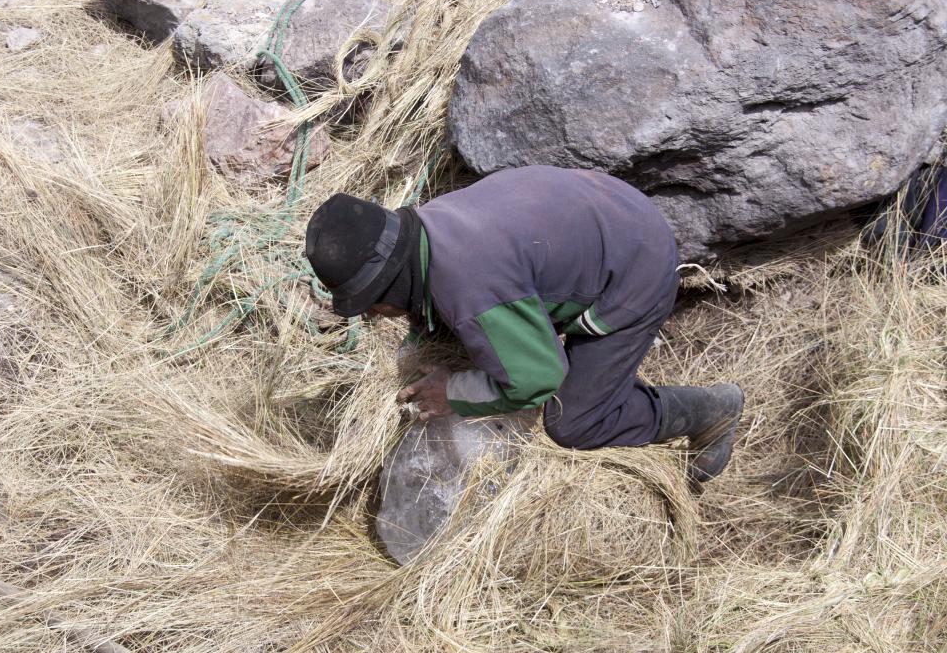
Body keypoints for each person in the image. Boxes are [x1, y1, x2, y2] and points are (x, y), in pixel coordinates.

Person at [305, 166, 744, 483]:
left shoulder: (471, 289)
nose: (369, 314)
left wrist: (453, 392)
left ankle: (710, 411)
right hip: (612, 209)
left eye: (369, 303)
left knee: (574, 422)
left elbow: (536, 380)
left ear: (392, 283)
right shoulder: (431, 227)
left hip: (635, 269)